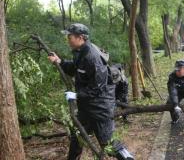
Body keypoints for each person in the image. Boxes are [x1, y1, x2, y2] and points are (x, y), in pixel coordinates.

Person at [48, 23, 134, 160]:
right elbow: (76, 69)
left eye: (70, 36)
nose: (68, 39)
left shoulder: (92, 57)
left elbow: (98, 88)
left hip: (100, 108)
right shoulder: (80, 52)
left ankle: (128, 158)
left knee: (108, 144)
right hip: (86, 108)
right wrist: (59, 61)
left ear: (80, 37)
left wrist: (76, 95)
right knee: (77, 135)